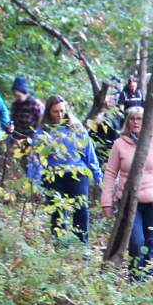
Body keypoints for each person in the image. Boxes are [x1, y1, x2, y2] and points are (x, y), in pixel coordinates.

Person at [100, 103, 153, 274]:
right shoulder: (119, 144)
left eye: (140, 119)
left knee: (149, 243)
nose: (136, 122)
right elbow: (110, 174)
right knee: (136, 242)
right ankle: (135, 276)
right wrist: (106, 202)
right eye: (132, 119)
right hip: (130, 202)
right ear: (127, 122)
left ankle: (145, 276)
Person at [29, 95, 101, 242]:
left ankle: (82, 244)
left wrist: (98, 176)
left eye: (62, 111)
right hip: (53, 175)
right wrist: (34, 182)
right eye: (55, 111)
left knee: (81, 209)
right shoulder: (43, 132)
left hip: (77, 173)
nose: (59, 115)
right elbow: (36, 159)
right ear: (49, 112)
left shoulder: (76, 127)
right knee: (58, 211)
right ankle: (60, 245)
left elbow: (89, 152)